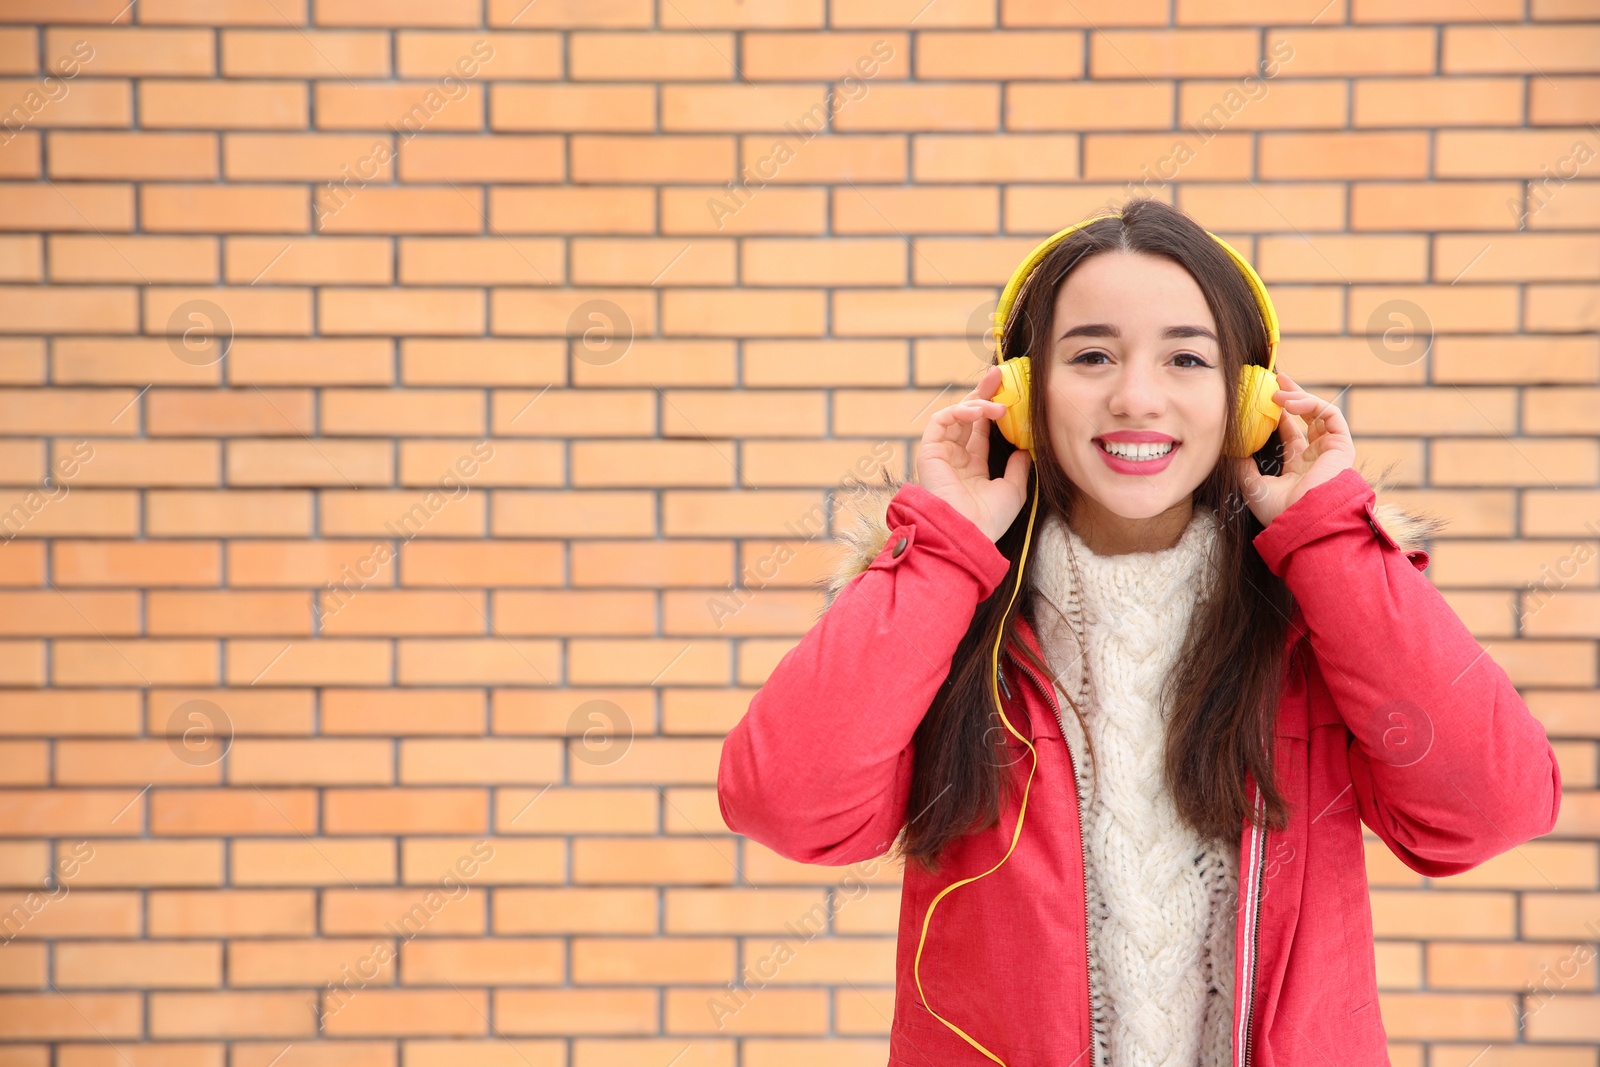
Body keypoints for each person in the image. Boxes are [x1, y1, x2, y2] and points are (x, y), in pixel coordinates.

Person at [716, 198, 1561, 1066]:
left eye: (1187, 357)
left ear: (1247, 403)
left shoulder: (1316, 619)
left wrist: (1333, 537)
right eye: (1090, 355)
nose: (1136, 396)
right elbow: (785, 802)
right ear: (1019, 394)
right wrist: (941, 545)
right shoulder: (952, 614)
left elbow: (1491, 808)